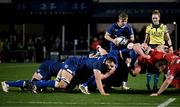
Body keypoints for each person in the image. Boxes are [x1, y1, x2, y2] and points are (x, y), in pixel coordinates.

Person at [144, 9, 173, 92]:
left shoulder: (163, 27)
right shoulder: (149, 27)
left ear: (159, 18)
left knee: (159, 67)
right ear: (151, 18)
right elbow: (146, 40)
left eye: (156, 18)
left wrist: (170, 46)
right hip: (151, 48)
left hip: (161, 48)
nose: (154, 20)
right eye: (153, 18)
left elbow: (168, 38)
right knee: (150, 66)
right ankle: (148, 85)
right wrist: (145, 46)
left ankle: (156, 86)